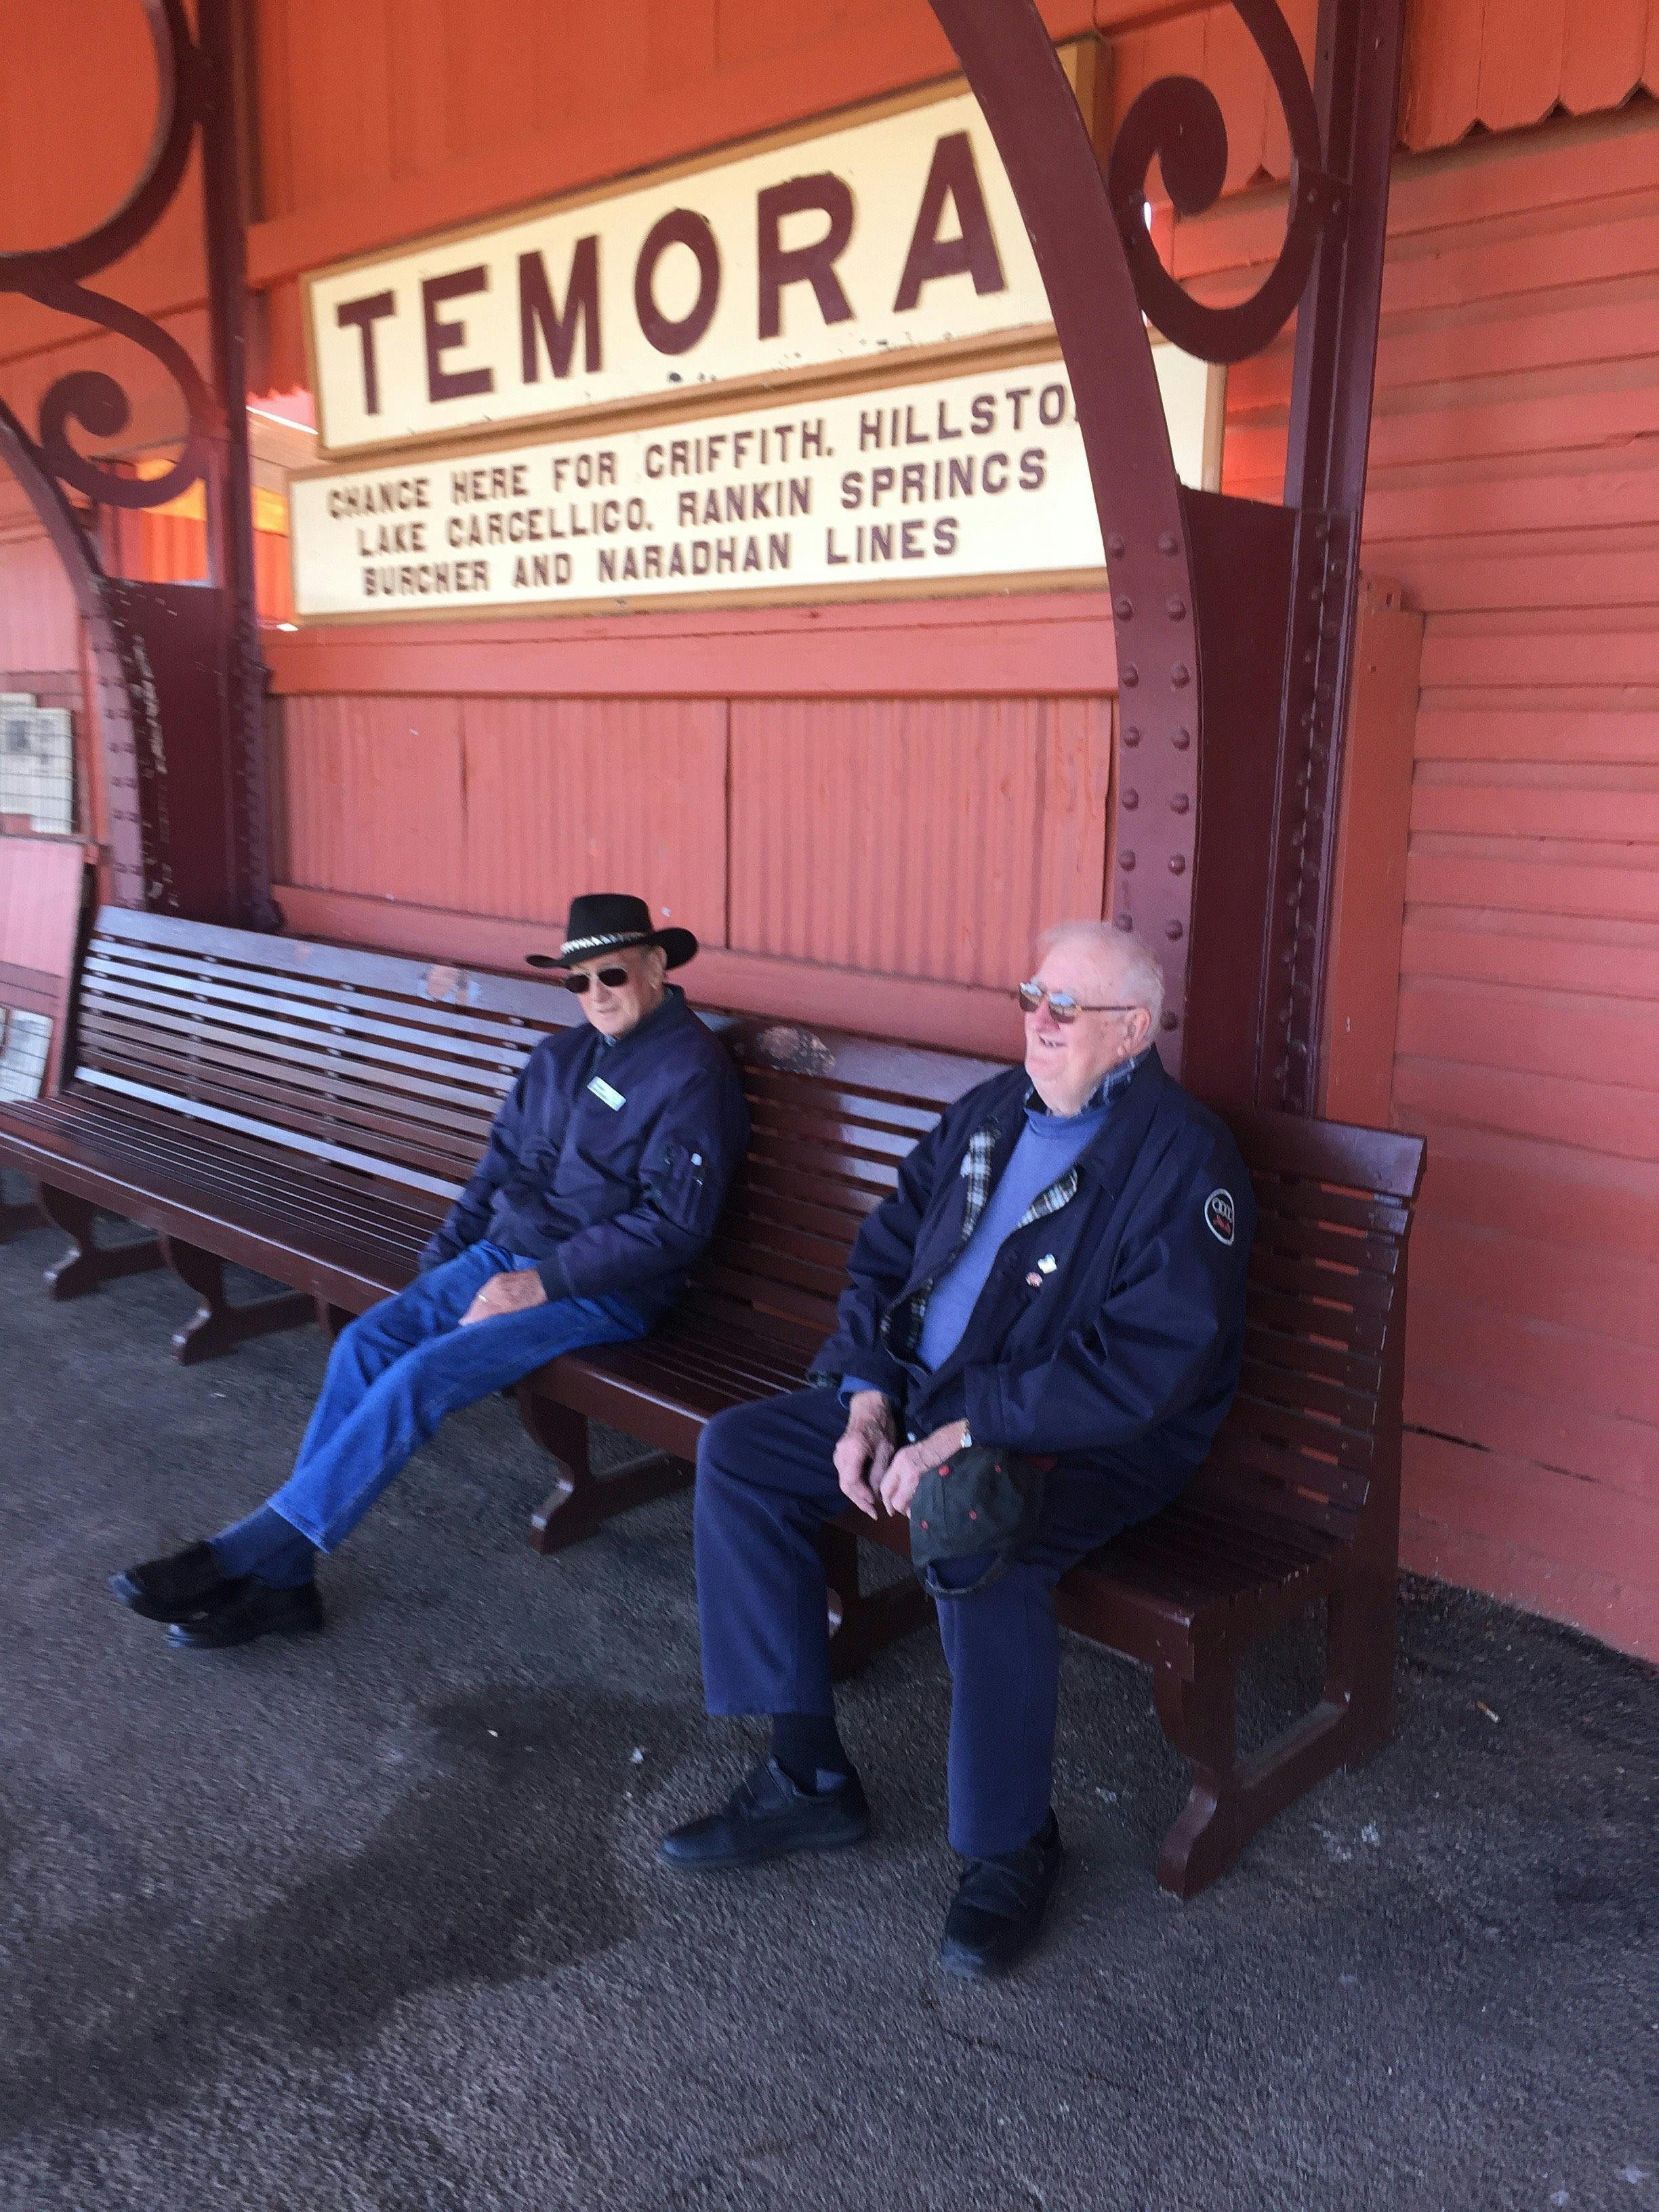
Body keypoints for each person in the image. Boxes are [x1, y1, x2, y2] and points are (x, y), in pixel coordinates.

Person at [661, 921, 1254, 1979]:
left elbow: (1151, 1363)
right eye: (1033, 995)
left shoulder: (1180, 1157)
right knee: (742, 1454)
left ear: (1133, 1029)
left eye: (1067, 1006)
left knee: (974, 1532)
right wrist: (862, 1395)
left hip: (1084, 1438)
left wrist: (969, 1428)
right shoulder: (990, 1114)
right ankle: (808, 1782)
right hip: (926, 1400)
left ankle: (1010, 1846)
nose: (1040, 1020)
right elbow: (885, 1250)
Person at [111, 893, 749, 1651]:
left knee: (421, 1378)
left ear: (655, 965)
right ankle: (285, 1584)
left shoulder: (693, 1074)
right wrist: (442, 1267)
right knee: (366, 1346)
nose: (596, 995)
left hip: (604, 1291)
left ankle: (244, 1554)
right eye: (578, 982)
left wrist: (538, 1283)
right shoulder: (559, 1058)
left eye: (611, 974)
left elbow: (672, 1227)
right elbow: (496, 1172)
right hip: (499, 1257)